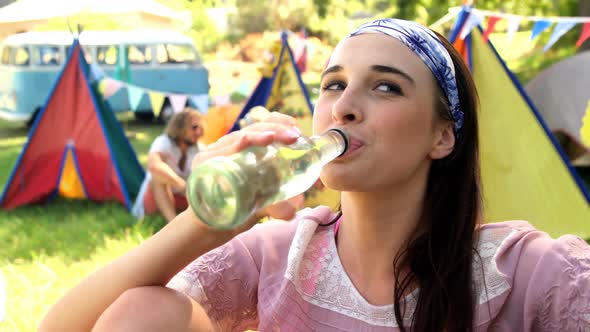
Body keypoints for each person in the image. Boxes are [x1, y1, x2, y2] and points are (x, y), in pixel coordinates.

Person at [40, 18, 590, 332]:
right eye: (332, 84)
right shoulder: (277, 255)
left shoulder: (528, 273)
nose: (343, 107)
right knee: (147, 308)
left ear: (441, 137)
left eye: (386, 86)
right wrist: (205, 226)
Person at [137, 107, 204, 222]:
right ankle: (173, 223)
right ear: (180, 127)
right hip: (155, 199)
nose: (198, 132)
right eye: (194, 127)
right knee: (157, 176)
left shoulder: (198, 148)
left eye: (200, 128)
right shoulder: (164, 142)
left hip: (181, 199)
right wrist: (183, 186)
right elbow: (154, 165)